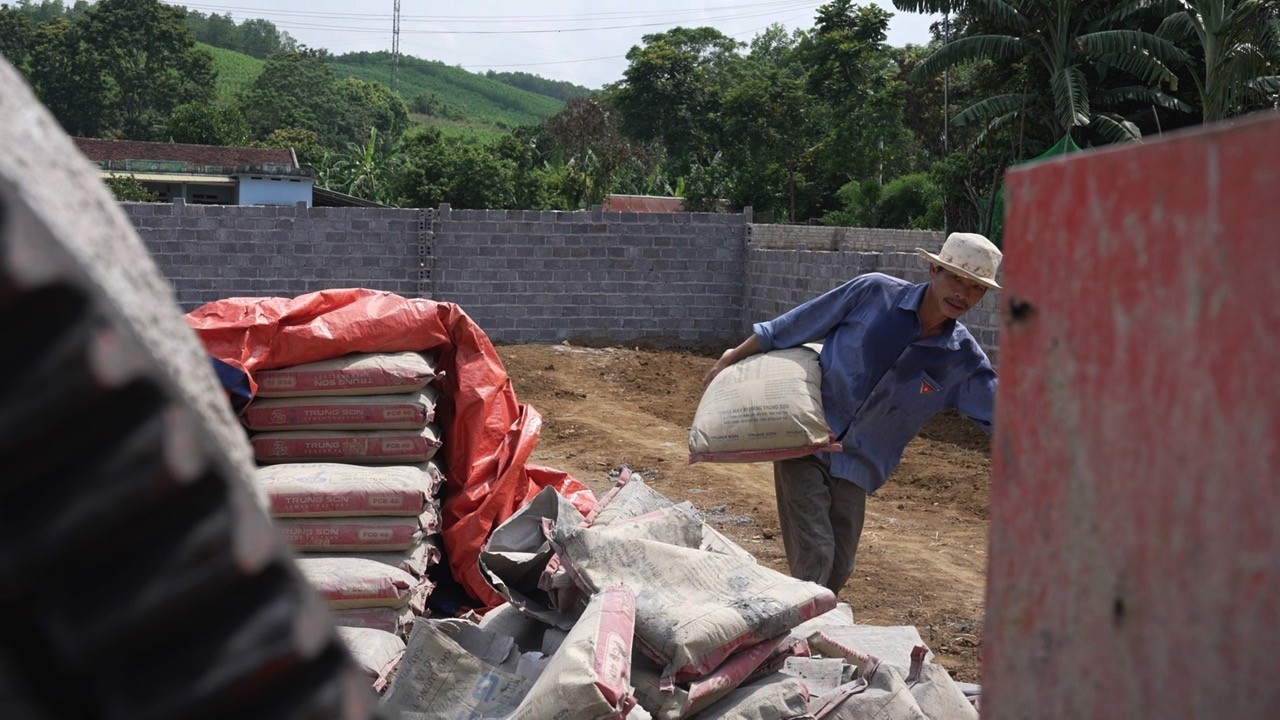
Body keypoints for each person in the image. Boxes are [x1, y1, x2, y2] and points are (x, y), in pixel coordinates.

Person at [702, 232, 1002, 594]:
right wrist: (734, 356)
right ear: (933, 268)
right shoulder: (873, 294)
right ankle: (796, 640)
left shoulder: (962, 360)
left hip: (858, 465)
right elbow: (795, 325)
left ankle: (798, 629)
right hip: (806, 440)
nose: (963, 294)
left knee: (838, 570)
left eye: (976, 288)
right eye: (956, 277)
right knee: (815, 559)